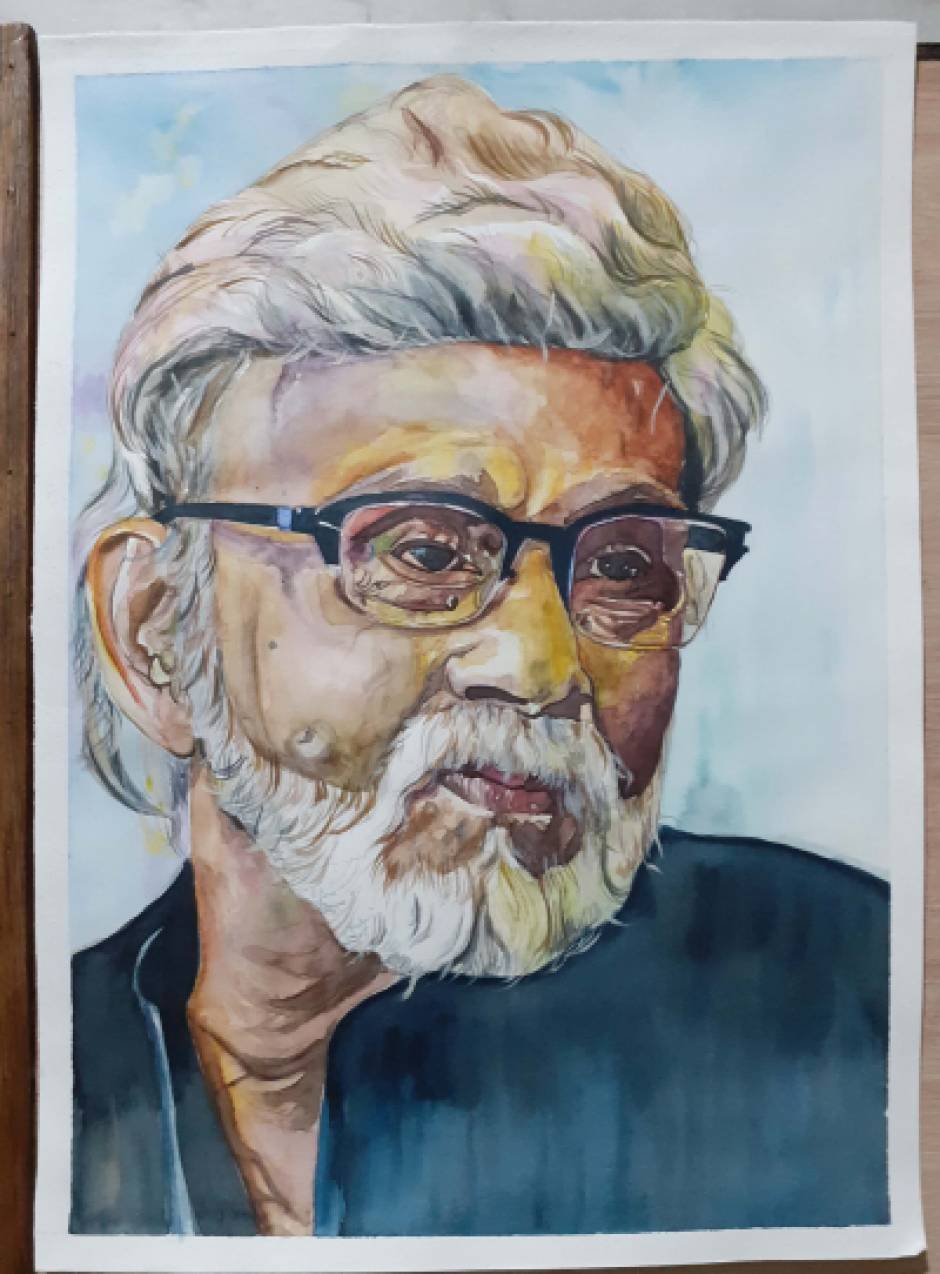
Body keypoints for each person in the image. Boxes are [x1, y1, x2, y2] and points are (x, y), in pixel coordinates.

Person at [70, 74, 889, 1238]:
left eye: (622, 564)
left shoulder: (844, 992)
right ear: (156, 628)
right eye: (419, 549)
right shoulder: (46, 1067)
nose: (539, 664)